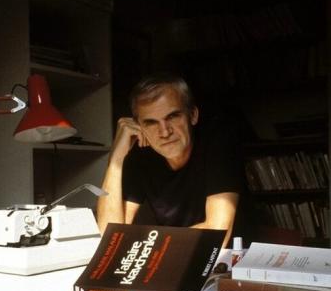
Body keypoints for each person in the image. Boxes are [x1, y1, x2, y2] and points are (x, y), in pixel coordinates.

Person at [96, 73, 242, 246]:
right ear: (139, 126)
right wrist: (116, 158)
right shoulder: (141, 154)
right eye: (151, 122)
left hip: (235, 257)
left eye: (172, 116)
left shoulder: (217, 143)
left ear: (193, 115)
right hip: (179, 253)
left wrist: (149, 248)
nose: (165, 132)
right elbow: (109, 237)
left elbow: (216, 235)